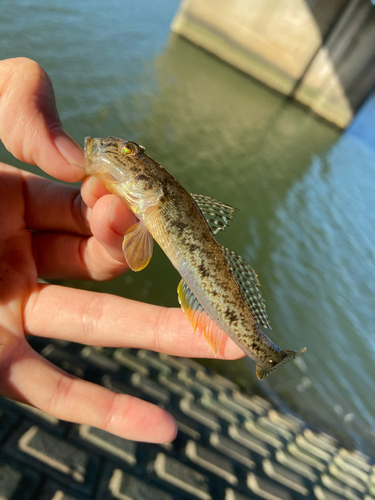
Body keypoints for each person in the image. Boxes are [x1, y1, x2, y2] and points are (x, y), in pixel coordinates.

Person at [0, 58, 244, 443]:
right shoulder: (144, 202)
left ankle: (258, 344)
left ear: (153, 183)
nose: (119, 150)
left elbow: (138, 254)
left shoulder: (157, 203)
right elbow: (138, 253)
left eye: (129, 151)